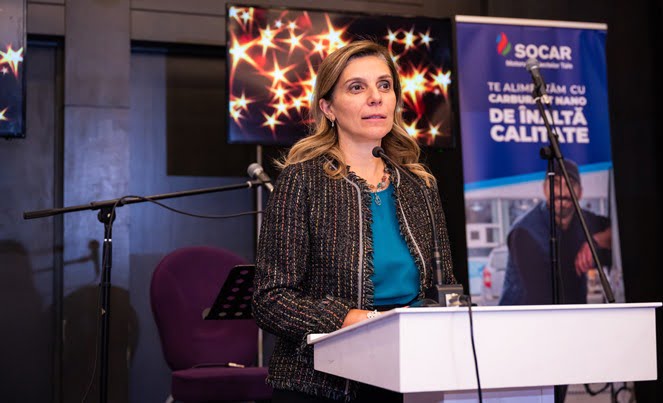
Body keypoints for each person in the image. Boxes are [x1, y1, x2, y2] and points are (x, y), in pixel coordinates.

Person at [252, 40, 457, 402]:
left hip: (409, 375)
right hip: (320, 385)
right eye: (357, 87)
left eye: (384, 85)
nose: (375, 98)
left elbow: (444, 290)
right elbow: (270, 300)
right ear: (328, 107)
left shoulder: (420, 186)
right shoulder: (303, 180)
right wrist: (355, 319)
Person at [499, 159, 612, 306]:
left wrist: (596, 241)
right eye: (555, 184)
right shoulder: (524, 232)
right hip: (525, 315)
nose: (562, 193)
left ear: (580, 192)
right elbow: (543, 297)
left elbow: (619, 230)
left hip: (570, 314)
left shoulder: (584, 220)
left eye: (570, 184)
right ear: (545, 189)